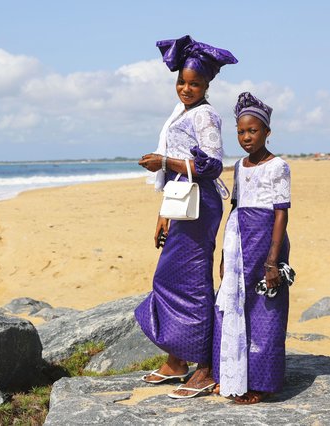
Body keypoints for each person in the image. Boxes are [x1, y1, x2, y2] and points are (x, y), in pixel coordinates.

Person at [135, 35, 237, 399]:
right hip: (182, 202)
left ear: (207, 85)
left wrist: (163, 162)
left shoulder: (206, 115)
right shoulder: (182, 113)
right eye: (182, 81)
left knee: (191, 281)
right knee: (170, 276)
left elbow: (212, 165)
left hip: (200, 204)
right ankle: (177, 360)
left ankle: (205, 367)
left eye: (194, 83)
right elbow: (180, 176)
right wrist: (163, 213)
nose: (186, 88)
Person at [212, 92, 291, 404]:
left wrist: (273, 260)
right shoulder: (238, 166)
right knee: (231, 305)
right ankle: (230, 376)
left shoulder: (278, 166)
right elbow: (234, 208)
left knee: (265, 310)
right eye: (241, 132)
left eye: (253, 131)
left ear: (267, 132)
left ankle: (259, 382)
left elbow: (281, 213)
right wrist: (223, 253)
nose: (246, 137)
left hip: (265, 243)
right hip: (238, 242)